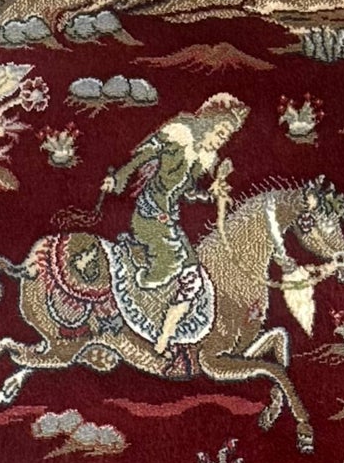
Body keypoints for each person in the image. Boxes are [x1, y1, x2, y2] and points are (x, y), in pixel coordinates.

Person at [104, 92, 247, 352]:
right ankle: (130, 297)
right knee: (167, 266)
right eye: (220, 132)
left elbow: (186, 191)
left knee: (193, 279)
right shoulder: (178, 137)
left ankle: (163, 337)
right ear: (207, 124)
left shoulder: (203, 159)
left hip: (170, 221)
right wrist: (118, 178)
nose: (222, 140)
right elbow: (142, 156)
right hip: (149, 216)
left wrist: (210, 194)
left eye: (226, 137)